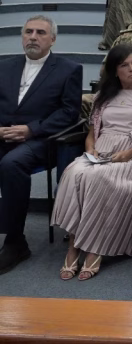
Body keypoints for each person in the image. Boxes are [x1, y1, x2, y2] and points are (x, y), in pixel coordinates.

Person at [52, 45, 132, 281]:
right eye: (124, 65)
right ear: (114, 70)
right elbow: (91, 134)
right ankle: (74, 245)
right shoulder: (102, 96)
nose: (131, 68)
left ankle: (95, 248)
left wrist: (129, 153)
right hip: (101, 151)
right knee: (73, 172)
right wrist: (90, 150)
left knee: (100, 178)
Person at [0, 16, 82, 274]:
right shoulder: (4, 67)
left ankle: (15, 241)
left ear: (53, 39)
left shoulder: (69, 69)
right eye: (28, 32)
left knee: (12, 164)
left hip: (42, 140)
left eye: (40, 33)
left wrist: (30, 129)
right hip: (3, 134)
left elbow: (69, 113)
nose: (33, 37)